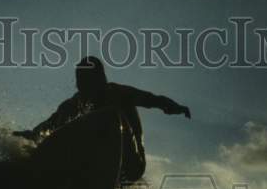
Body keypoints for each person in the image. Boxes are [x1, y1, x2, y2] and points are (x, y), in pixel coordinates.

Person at [13, 56, 191, 180]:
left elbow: (152, 100)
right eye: (79, 80)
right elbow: (50, 124)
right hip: (101, 162)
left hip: (132, 162)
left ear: (99, 78)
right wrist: (25, 137)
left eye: (86, 79)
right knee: (69, 132)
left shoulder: (118, 92)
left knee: (109, 117)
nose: (82, 85)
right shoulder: (76, 103)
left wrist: (175, 107)